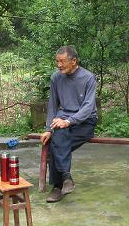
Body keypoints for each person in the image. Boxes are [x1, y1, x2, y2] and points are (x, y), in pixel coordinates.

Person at [40, 45, 97, 203]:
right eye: (57, 61)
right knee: (56, 136)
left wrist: (68, 121)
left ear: (74, 61)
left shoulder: (88, 77)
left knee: (56, 144)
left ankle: (57, 187)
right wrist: (48, 129)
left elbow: (88, 108)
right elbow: (53, 105)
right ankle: (66, 179)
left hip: (85, 122)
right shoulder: (56, 78)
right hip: (63, 120)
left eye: (62, 61)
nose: (59, 65)